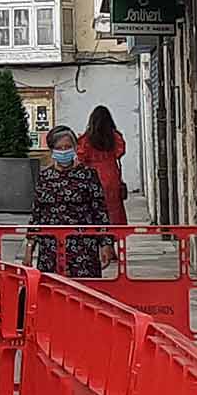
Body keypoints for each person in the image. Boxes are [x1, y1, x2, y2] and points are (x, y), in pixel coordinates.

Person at [28, 125, 112, 278]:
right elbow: (37, 214)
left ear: (74, 148)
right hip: (50, 248)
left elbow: (100, 211)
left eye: (67, 147)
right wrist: (29, 247)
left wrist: (105, 244)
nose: (64, 151)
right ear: (52, 151)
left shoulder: (88, 175)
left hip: (82, 248)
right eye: (59, 148)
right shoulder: (45, 177)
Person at [76, 106, 129, 228]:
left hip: (92, 175)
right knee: (113, 207)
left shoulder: (86, 138)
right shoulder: (115, 136)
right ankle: (113, 233)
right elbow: (120, 152)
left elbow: (81, 156)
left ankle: (97, 232)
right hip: (111, 174)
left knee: (94, 206)